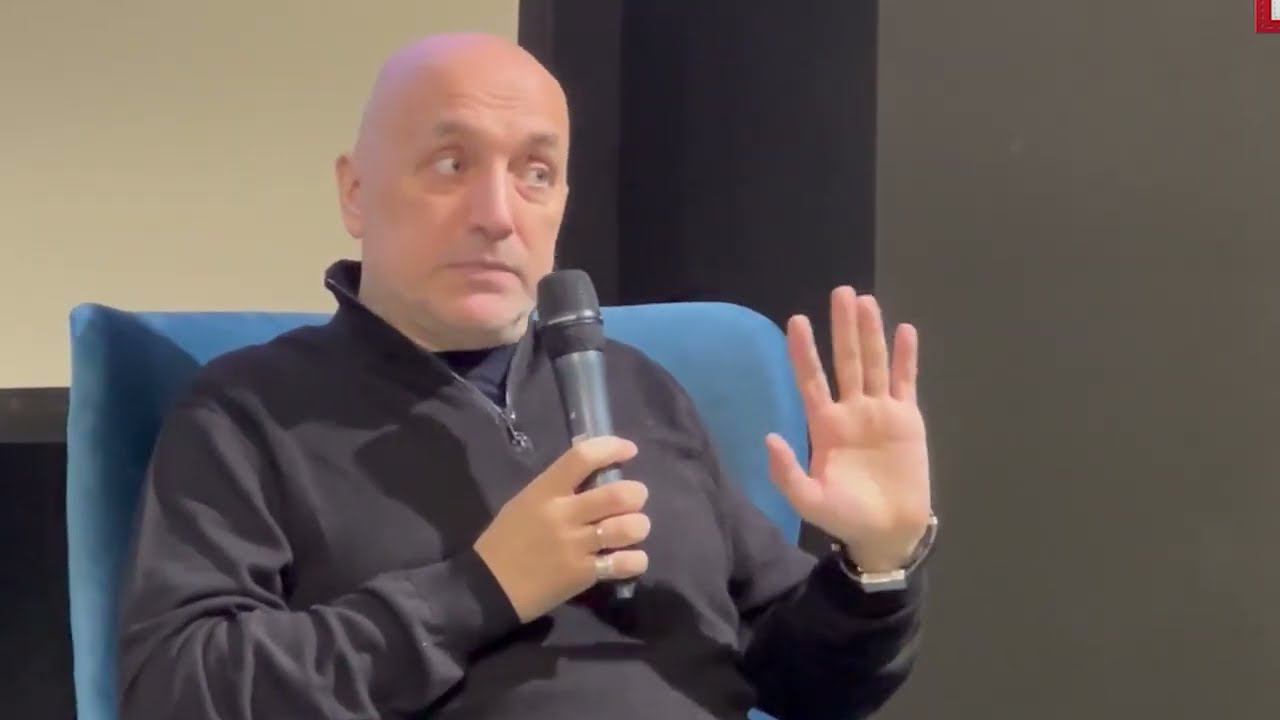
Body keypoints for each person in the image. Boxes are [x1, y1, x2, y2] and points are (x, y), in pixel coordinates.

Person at [117, 33, 936, 720]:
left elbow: (809, 687)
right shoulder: (250, 412)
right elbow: (177, 690)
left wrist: (873, 567)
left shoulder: (637, 389)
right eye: (451, 164)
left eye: (535, 174)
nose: (497, 215)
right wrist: (482, 589)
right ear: (356, 193)